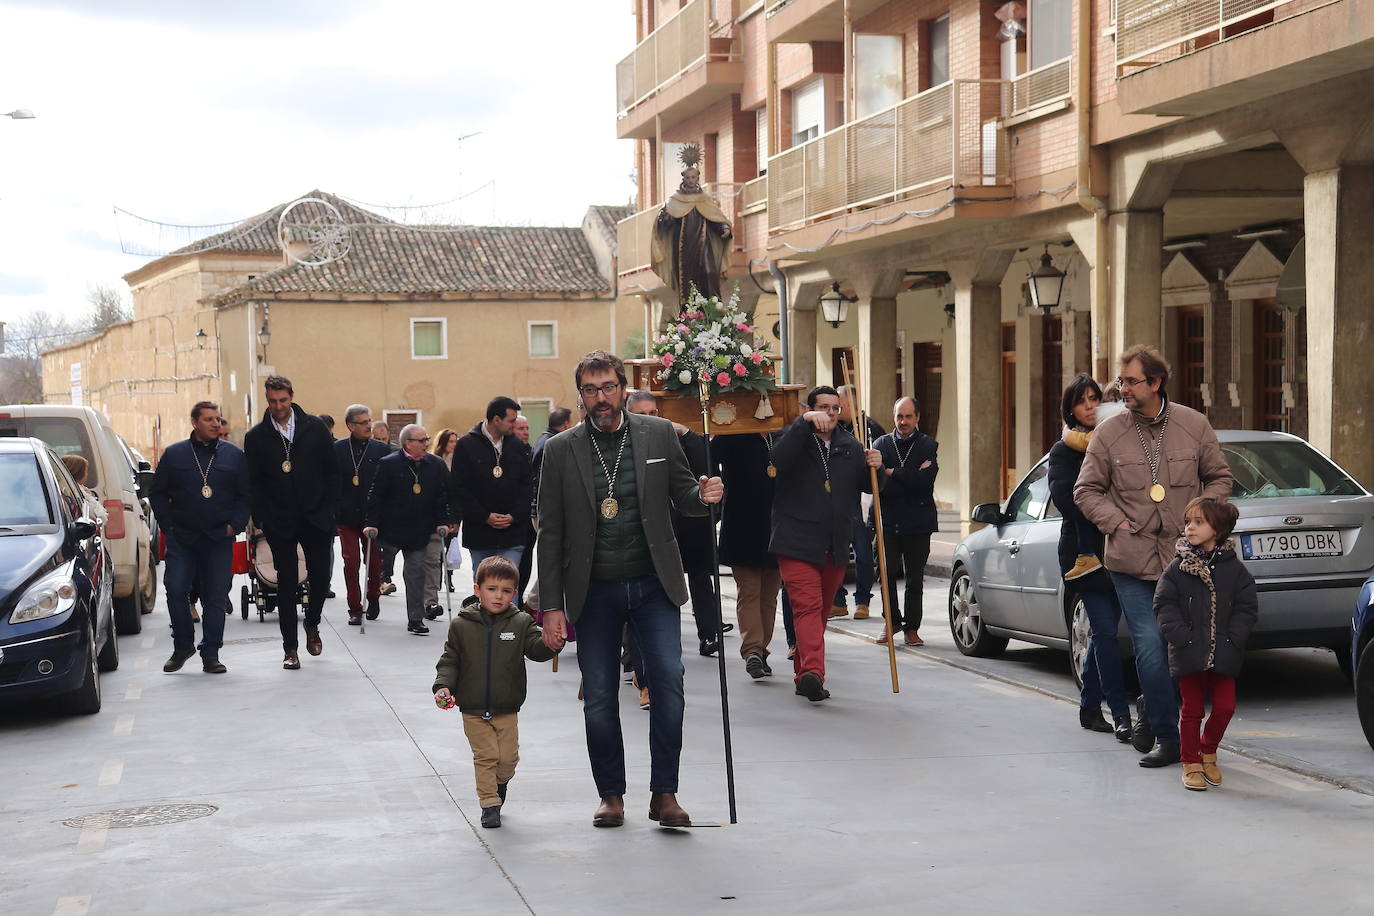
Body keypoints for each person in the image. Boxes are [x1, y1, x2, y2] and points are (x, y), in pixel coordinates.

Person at [535, 350, 723, 829]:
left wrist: (701, 496)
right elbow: (550, 533)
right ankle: (610, 795)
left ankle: (665, 794)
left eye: (609, 387)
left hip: (653, 583)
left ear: (623, 388)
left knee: (669, 683)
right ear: (580, 397)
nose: (601, 397)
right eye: (591, 390)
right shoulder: (560, 450)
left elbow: (682, 494)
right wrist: (551, 607)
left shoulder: (658, 434)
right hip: (592, 591)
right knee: (599, 695)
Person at [1075, 345, 1234, 767]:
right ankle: (1168, 735)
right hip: (1130, 560)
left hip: (1185, 562)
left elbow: (1220, 477)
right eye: (1120, 381)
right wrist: (1116, 523)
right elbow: (1085, 489)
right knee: (1148, 644)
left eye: (1130, 381)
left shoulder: (1193, 425)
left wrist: (1201, 517)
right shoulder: (1108, 433)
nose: (1120, 388)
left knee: (1183, 648)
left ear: (1156, 383)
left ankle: (1156, 708)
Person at [769, 386, 884, 702]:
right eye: (823, 407)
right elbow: (776, 460)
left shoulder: (850, 445)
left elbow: (870, 485)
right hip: (795, 541)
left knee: (818, 613)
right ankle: (813, 674)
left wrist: (877, 466)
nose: (830, 413)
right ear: (809, 408)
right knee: (807, 607)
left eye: (835, 408)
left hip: (834, 544)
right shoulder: (793, 438)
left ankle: (803, 668)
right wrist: (803, 422)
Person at [432, 556, 560, 828]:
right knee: (486, 756)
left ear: (515, 593)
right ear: (477, 590)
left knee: (508, 759)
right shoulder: (462, 625)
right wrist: (443, 685)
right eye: (491, 589)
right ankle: (489, 803)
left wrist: (552, 643)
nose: (498, 596)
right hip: (473, 708)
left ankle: (499, 784)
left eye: (506, 591)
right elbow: (450, 659)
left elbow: (536, 649)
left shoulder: (520, 623)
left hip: (507, 707)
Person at [1048, 376, 1132, 742]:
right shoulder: (1064, 451)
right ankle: (1121, 713)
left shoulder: (1115, 442)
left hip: (1119, 549)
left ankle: (1088, 705)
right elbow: (1067, 499)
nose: (1089, 406)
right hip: (1084, 556)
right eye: (1082, 400)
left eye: (1095, 399)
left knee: (1104, 633)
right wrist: (1107, 510)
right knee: (1106, 632)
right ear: (1071, 408)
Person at [1152, 497, 1257, 791]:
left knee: (1225, 707)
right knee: (1192, 710)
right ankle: (1191, 761)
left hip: (1225, 652)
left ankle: (1208, 749)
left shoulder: (1235, 570)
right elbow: (1163, 604)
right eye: (1188, 522)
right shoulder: (1178, 568)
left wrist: (1235, 638)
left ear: (1218, 529)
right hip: (1189, 652)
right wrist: (1182, 638)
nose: (1190, 528)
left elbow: (1247, 608)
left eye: (1199, 522)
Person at [244, 376, 340, 670]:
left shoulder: (315, 428)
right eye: (272, 401)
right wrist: (262, 517)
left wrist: (329, 509)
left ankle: (312, 623)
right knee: (285, 582)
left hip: (316, 518)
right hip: (280, 521)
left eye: (283, 400)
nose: (278, 406)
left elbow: (332, 472)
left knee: (321, 577)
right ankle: (290, 649)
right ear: (267, 399)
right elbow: (254, 481)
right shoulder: (257, 436)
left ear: (291, 397)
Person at [150, 401, 251, 675]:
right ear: (194, 422)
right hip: (183, 537)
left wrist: (235, 525)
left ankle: (211, 653)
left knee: (216, 597)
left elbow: (245, 495)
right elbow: (157, 493)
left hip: (219, 537)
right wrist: (168, 525)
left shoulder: (234, 456)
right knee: (176, 588)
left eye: (218, 419)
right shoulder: (175, 455)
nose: (215, 424)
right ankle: (183, 645)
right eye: (209, 419)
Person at [626, 390, 730, 657]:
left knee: (700, 580)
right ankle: (633, 650)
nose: (649, 419)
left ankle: (709, 634)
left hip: (690, 524)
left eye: (653, 413)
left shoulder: (673, 437)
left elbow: (703, 468)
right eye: (641, 414)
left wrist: (686, 433)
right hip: (652, 527)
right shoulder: (625, 444)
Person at [364, 424, 452, 634]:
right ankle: (372, 599)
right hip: (391, 529)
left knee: (415, 573)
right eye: (421, 440)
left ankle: (415, 618)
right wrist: (371, 523)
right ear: (408, 443)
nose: (426, 444)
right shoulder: (389, 464)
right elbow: (375, 496)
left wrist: (442, 520)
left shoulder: (433, 464)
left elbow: (440, 496)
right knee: (379, 567)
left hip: (419, 530)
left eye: (426, 439)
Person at [711, 431, 782, 678]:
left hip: (777, 526)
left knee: (770, 594)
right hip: (742, 525)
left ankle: (761, 650)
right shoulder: (734, 433)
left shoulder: (782, 435)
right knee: (750, 590)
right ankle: (752, 650)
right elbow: (708, 457)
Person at [871, 397, 938, 647]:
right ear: (894, 417)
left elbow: (925, 483)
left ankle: (912, 628)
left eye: (909, 416)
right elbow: (877, 484)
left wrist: (892, 472)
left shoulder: (927, 445)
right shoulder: (880, 444)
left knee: (914, 579)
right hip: (887, 520)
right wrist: (906, 476)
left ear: (917, 418)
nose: (904, 421)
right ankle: (892, 622)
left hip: (918, 522)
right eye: (900, 416)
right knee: (885, 575)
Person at [452, 396, 534, 573]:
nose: (514, 425)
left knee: (509, 585)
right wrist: (485, 516)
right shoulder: (466, 445)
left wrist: (514, 515)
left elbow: (527, 486)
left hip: (512, 533)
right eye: (511, 421)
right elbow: (460, 488)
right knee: (483, 586)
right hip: (480, 532)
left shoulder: (517, 446)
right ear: (497, 420)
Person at [830, 384, 885, 620]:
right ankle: (838, 601)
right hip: (836, 498)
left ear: (850, 404)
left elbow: (881, 459)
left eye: (838, 405)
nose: (834, 410)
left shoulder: (869, 428)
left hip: (859, 498)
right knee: (835, 552)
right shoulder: (834, 428)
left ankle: (863, 601)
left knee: (862, 552)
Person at [336, 404, 390, 626]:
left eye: (370, 421)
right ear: (350, 425)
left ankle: (374, 596)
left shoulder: (381, 449)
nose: (369, 425)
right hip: (346, 516)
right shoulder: (337, 449)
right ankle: (355, 608)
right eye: (364, 422)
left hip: (373, 517)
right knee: (351, 561)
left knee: (375, 562)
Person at [522, 407, 573, 602]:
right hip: (543, 510)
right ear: (566, 424)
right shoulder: (551, 444)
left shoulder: (544, 440)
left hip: (538, 508)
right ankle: (534, 602)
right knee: (557, 559)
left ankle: (535, 601)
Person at [371, 420, 400, 595]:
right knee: (373, 547)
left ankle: (385, 577)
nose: (381, 441)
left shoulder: (396, 452)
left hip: (392, 508)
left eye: (384, 437)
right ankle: (378, 578)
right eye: (377, 438)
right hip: (373, 506)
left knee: (391, 547)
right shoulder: (368, 452)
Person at [433, 428, 461, 594]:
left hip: (454, 511)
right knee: (437, 548)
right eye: (451, 441)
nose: (454, 445)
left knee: (450, 546)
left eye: (455, 441)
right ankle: (436, 579)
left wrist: (457, 518)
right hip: (439, 509)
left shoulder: (459, 461)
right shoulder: (436, 461)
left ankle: (448, 578)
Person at [60, 454, 107, 526]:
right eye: (85, 471)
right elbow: (98, 517)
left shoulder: (72, 489)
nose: (87, 475)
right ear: (79, 473)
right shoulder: (74, 492)